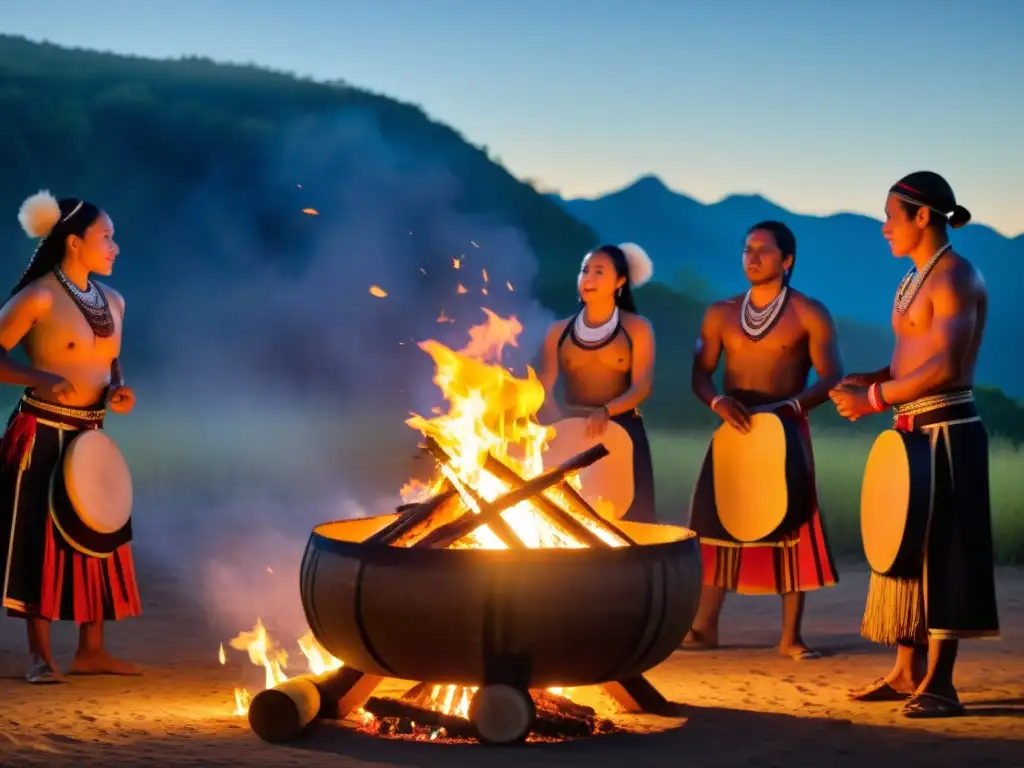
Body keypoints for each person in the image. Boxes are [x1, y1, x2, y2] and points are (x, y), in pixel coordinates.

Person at [830, 171, 999, 718]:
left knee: (944, 549)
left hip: (948, 430)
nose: (883, 228)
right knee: (905, 546)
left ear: (921, 216)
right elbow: (914, 359)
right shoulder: (914, 278)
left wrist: (875, 396)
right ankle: (905, 672)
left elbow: (947, 366)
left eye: (889, 216)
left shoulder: (954, 277)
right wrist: (871, 376)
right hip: (912, 430)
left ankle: (940, 683)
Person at [0, 190, 142, 684]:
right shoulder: (38, 295)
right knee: (39, 540)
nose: (115, 247)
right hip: (41, 432)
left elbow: (109, 360)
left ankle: (92, 650)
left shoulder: (115, 301)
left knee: (95, 534)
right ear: (75, 242)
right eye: (106, 237)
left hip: (90, 434)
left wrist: (118, 390)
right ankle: (40, 657)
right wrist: (40, 379)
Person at [684, 220, 842, 660]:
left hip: (786, 425)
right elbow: (700, 372)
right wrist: (716, 401)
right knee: (716, 523)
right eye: (747, 249)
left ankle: (791, 636)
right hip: (733, 424)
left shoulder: (809, 312)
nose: (752, 257)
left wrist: (792, 408)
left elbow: (832, 376)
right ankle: (704, 627)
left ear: (787, 260)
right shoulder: (720, 313)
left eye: (764, 250)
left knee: (791, 523)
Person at [536, 242, 657, 523]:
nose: (588, 278)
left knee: (630, 521)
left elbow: (642, 386)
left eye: (599, 271)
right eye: (584, 270)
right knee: (565, 520)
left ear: (621, 281)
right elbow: (545, 384)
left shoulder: (637, 328)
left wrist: (607, 411)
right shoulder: (558, 332)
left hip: (622, 430)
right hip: (568, 430)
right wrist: (557, 426)